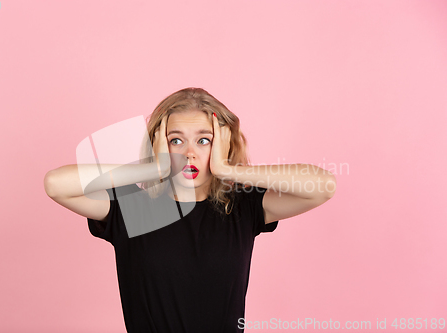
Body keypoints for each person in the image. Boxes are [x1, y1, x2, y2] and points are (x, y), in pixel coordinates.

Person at [44, 87, 337, 332]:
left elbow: (323, 186)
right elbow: (56, 183)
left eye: (204, 140)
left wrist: (227, 169)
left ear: (222, 145)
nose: (189, 153)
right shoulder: (132, 207)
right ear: (159, 145)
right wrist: (154, 169)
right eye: (176, 140)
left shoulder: (242, 206)